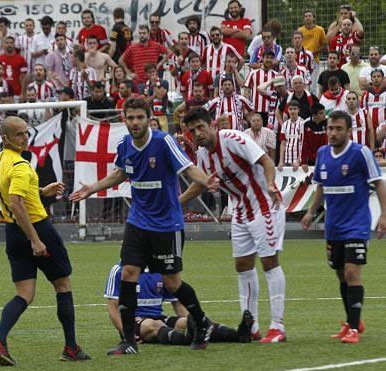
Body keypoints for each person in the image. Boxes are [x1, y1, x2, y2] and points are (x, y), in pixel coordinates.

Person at [70, 97, 220, 354]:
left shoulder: (163, 142)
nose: (135, 122)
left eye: (140, 117)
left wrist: (207, 180)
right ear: (124, 119)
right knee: (129, 273)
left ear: (149, 119)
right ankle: (129, 341)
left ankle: (202, 322)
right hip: (138, 221)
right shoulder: (125, 144)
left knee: (172, 283)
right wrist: (91, 188)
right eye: (131, 118)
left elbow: (188, 169)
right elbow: (119, 173)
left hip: (166, 224)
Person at [0, 116, 91, 365]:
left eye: (26, 132)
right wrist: (35, 239)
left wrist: (42, 191)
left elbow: (14, 196)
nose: (25, 137)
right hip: (37, 229)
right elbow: (16, 202)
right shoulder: (20, 165)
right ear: (6, 138)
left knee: (25, 293)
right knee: (63, 286)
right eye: (19, 134)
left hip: (13, 231)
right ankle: (71, 348)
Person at [181, 107, 287, 343]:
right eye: (192, 130)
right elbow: (201, 183)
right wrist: (177, 202)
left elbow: (266, 161)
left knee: (269, 261)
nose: (197, 133)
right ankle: (252, 326)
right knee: (242, 265)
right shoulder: (202, 156)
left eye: (201, 127)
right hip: (240, 210)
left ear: (212, 125)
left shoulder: (233, 139)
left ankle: (277, 326)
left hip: (264, 206)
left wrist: (270, 184)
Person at [302, 110, 386, 344]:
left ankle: (353, 330)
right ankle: (352, 321)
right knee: (340, 272)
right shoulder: (322, 153)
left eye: (339, 129)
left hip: (357, 225)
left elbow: (378, 184)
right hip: (333, 226)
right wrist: (310, 211)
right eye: (330, 128)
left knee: (351, 272)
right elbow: (320, 187)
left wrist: (384, 216)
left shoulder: (361, 153)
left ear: (349, 131)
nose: (333, 133)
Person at [105, 262, 254, 345]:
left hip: (158, 317)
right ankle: (187, 340)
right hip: (134, 320)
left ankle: (238, 335)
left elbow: (178, 305)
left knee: (184, 322)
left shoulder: (160, 270)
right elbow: (112, 308)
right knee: (153, 325)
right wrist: (126, 334)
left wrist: (192, 322)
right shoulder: (119, 270)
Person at [119, 25, 169, 92]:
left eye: (144, 33)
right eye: (140, 33)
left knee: (159, 97)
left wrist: (159, 64)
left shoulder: (156, 45)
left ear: (148, 34)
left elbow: (169, 53)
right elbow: (120, 60)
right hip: (139, 82)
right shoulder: (133, 47)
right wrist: (128, 73)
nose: (142, 35)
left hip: (153, 81)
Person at [244, 50, 280, 125]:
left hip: (271, 112)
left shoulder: (277, 75)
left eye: (271, 58)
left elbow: (279, 94)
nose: (269, 60)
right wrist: (247, 109)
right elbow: (247, 91)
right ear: (262, 58)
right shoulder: (253, 73)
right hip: (255, 110)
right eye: (267, 57)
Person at [278, 101, 306, 172]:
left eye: (294, 109)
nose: (292, 111)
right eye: (290, 109)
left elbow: (304, 144)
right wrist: (281, 161)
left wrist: (298, 161)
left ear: (298, 110)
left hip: (299, 162)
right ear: (287, 110)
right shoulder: (284, 124)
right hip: (287, 160)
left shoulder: (303, 124)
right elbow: (283, 144)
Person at [300, 103, 328, 168]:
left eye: (324, 112)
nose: (324, 115)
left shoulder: (328, 122)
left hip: (324, 158)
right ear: (314, 115)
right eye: (321, 113)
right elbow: (304, 144)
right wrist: (304, 161)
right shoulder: (306, 124)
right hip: (311, 160)